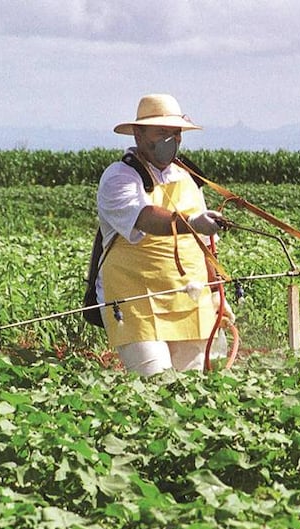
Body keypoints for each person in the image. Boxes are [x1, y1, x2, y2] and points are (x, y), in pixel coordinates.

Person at [94, 93, 231, 375]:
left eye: (175, 133)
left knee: (193, 389)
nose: (171, 140)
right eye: (161, 132)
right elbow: (144, 218)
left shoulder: (187, 178)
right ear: (138, 134)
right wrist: (191, 221)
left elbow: (204, 245)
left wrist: (217, 294)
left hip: (190, 299)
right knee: (157, 383)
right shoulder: (120, 177)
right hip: (135, 301)